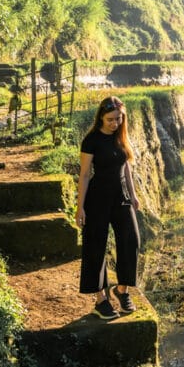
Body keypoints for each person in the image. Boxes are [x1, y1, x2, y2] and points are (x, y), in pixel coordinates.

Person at [77, 96, 141, 320]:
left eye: (118, 119)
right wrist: (80, 208)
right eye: (110, 119)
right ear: (101, 118)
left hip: (121, 197)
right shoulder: (92, 140)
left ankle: (121, 290)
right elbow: (84, 175)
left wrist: (133, 195)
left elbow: (126, 169)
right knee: (96, 245)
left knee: (131, 240)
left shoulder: (120, 137)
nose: (115, 123)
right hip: (97, 199)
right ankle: (101, 299)